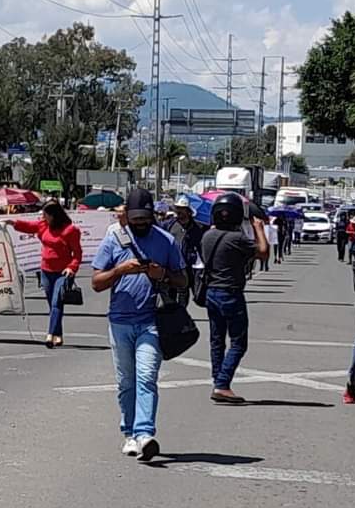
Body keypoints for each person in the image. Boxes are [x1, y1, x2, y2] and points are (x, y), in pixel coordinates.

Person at [92, 189, 187, 462]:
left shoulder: (167, 240)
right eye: (135, 219)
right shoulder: (114, 239)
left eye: (145, 218)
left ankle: (145, 434)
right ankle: (130, 434)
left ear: (153, 216)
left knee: (146, 377)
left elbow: (183, 282)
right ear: (127, 218)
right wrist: (121, 270)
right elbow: (96, 283)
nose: (141, 223)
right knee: (126, 381)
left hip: (151, 321)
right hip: (120, 320)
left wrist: (164, 275)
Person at [200, 193, 269, 403]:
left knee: (217, 340)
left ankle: (217, 379)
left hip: (212, 291)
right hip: (230, 293)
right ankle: (222, 384)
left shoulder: (207, 236)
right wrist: (258, 228)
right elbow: (264, 252)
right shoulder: (237, 239)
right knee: (239, 342)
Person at [11, 202, 83, 348]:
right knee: (53, 304)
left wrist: (72, 268)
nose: (43, 217)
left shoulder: (70, 230)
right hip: (46, 271)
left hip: (63, 272)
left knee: (57, 302)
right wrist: (12, 222)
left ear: (54, 215)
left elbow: (77, 253)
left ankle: (50, 335)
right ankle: (59, 334)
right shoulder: (44, 225)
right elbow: (29, 226)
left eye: (46, 215)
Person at [160, 196, 204, 306]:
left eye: (182, 208)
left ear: (188, 211)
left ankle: (181, 315)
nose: (179, 211)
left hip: (188, 265)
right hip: (170, 264)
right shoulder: (169, 224)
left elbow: (201, 246)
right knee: (170, 293)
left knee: (184, 293)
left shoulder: (197, 228)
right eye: (177, 208)